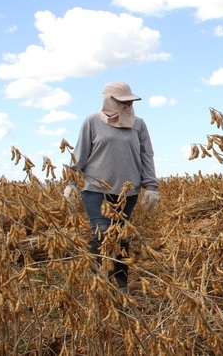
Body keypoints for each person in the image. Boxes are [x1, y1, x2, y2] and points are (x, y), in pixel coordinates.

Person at [64, 81, 159, 291]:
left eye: (130, 102)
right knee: (102, 232)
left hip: (128, 192)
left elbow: (146, 155)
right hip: (96, 189)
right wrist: (71, 182)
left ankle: (119, 284)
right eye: (122, 101)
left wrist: (151, 186)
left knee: (121, 236)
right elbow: (80, 153)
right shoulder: (91, 122)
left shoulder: (139, 125)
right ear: (108, 100)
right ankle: (98, 283)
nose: (127, 106)